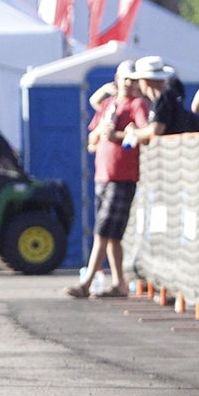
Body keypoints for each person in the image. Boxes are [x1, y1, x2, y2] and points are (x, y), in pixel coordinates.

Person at [66, 60, 149, 299]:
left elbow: (144, 133)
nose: (129, 84)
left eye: (134, 80)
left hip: (123, 176)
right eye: (126, 79)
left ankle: (87, 281)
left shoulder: (138, 105)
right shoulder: (109, 105)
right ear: (117, 79)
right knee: (112, 234)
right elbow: (93, 140)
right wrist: (102, 132)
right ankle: (119, 283)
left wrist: (119, 135)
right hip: (103, 174)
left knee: (102, 230)